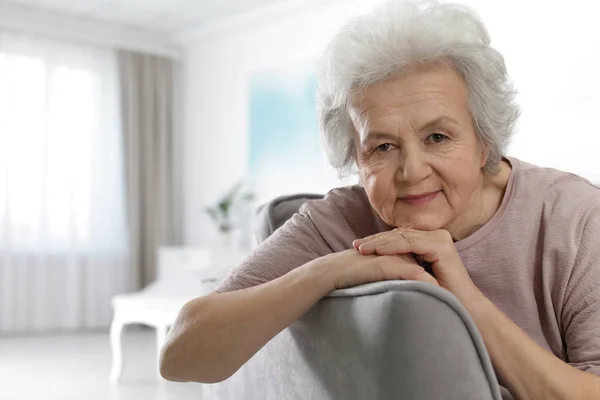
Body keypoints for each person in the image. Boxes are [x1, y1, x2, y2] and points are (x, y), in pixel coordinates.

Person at [160, 1, 600, 398]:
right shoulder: (335, 223)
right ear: (355, 156)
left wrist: (465, 299)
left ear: (485, 141)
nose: (412, 172)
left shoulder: (576, 219)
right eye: (382, 147)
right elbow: (180, 355)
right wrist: (334, 270)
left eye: (437, 137)